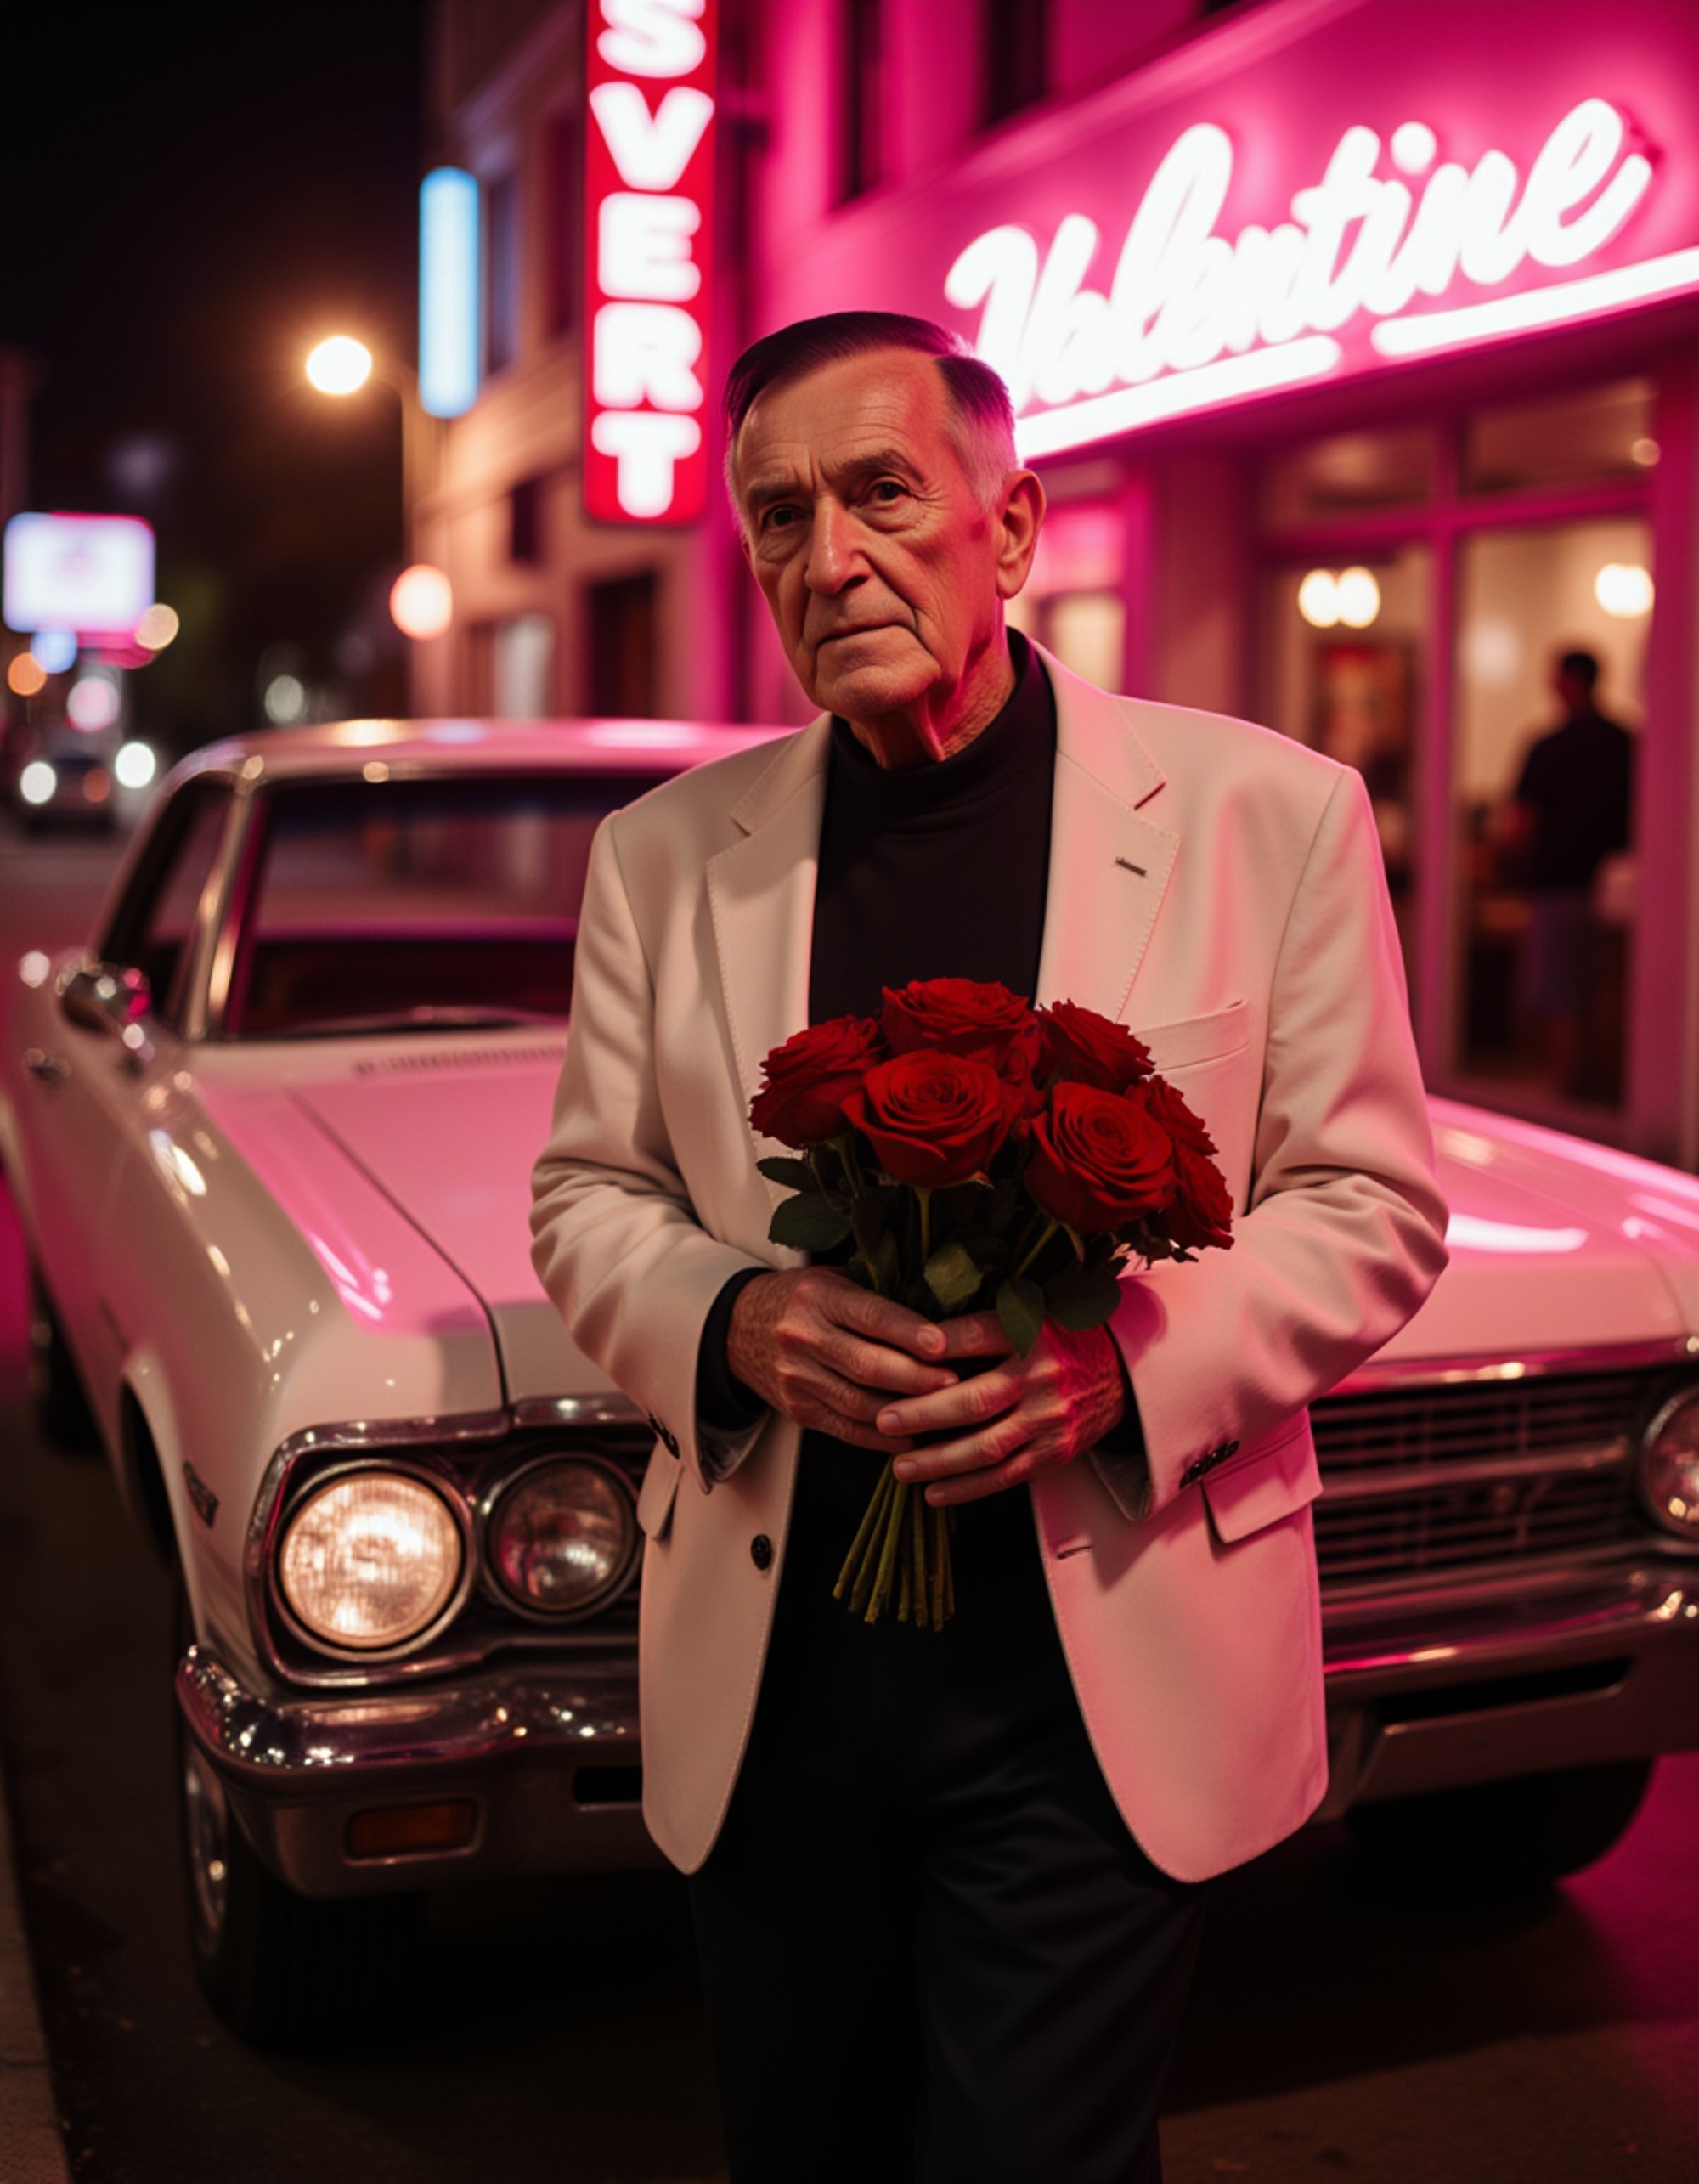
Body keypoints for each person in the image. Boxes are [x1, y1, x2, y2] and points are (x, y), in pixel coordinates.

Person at [531, 312, 1448, 2184]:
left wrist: (1124, 1359)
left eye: (881, 493)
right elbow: (588, 1191)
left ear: (1010, 529)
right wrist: (736, 1317)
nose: (828, 555)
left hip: (1095, 1676)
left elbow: (1372, 1201)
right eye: (777, 515)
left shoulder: (1264, 817)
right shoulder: (664, 853)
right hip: (775, 1673)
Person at [1505, 650, 1636, 1092]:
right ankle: (1588, 1082)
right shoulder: (1625, 743)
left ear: (1571, 681)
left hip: (1561, 882)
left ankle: (1561, 1085)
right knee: (1596, 986)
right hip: (1616, 886)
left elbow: (1520, 822)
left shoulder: (1549, 748)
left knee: (1560, 988)